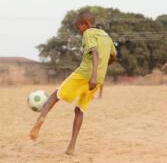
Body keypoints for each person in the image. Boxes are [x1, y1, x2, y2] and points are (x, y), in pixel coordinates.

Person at [29, 11, 117, 155]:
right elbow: (113, 56)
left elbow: (94, 53)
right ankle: (71, 146)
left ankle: (40, 119)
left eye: (79, 27)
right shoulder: (106, 37)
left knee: (55, 95)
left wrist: (93, 75)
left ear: (87, 24)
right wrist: (101, 70)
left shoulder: (89, 33)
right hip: (99, 78)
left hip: (86, 74)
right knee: (80, 110)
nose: (79, 31)